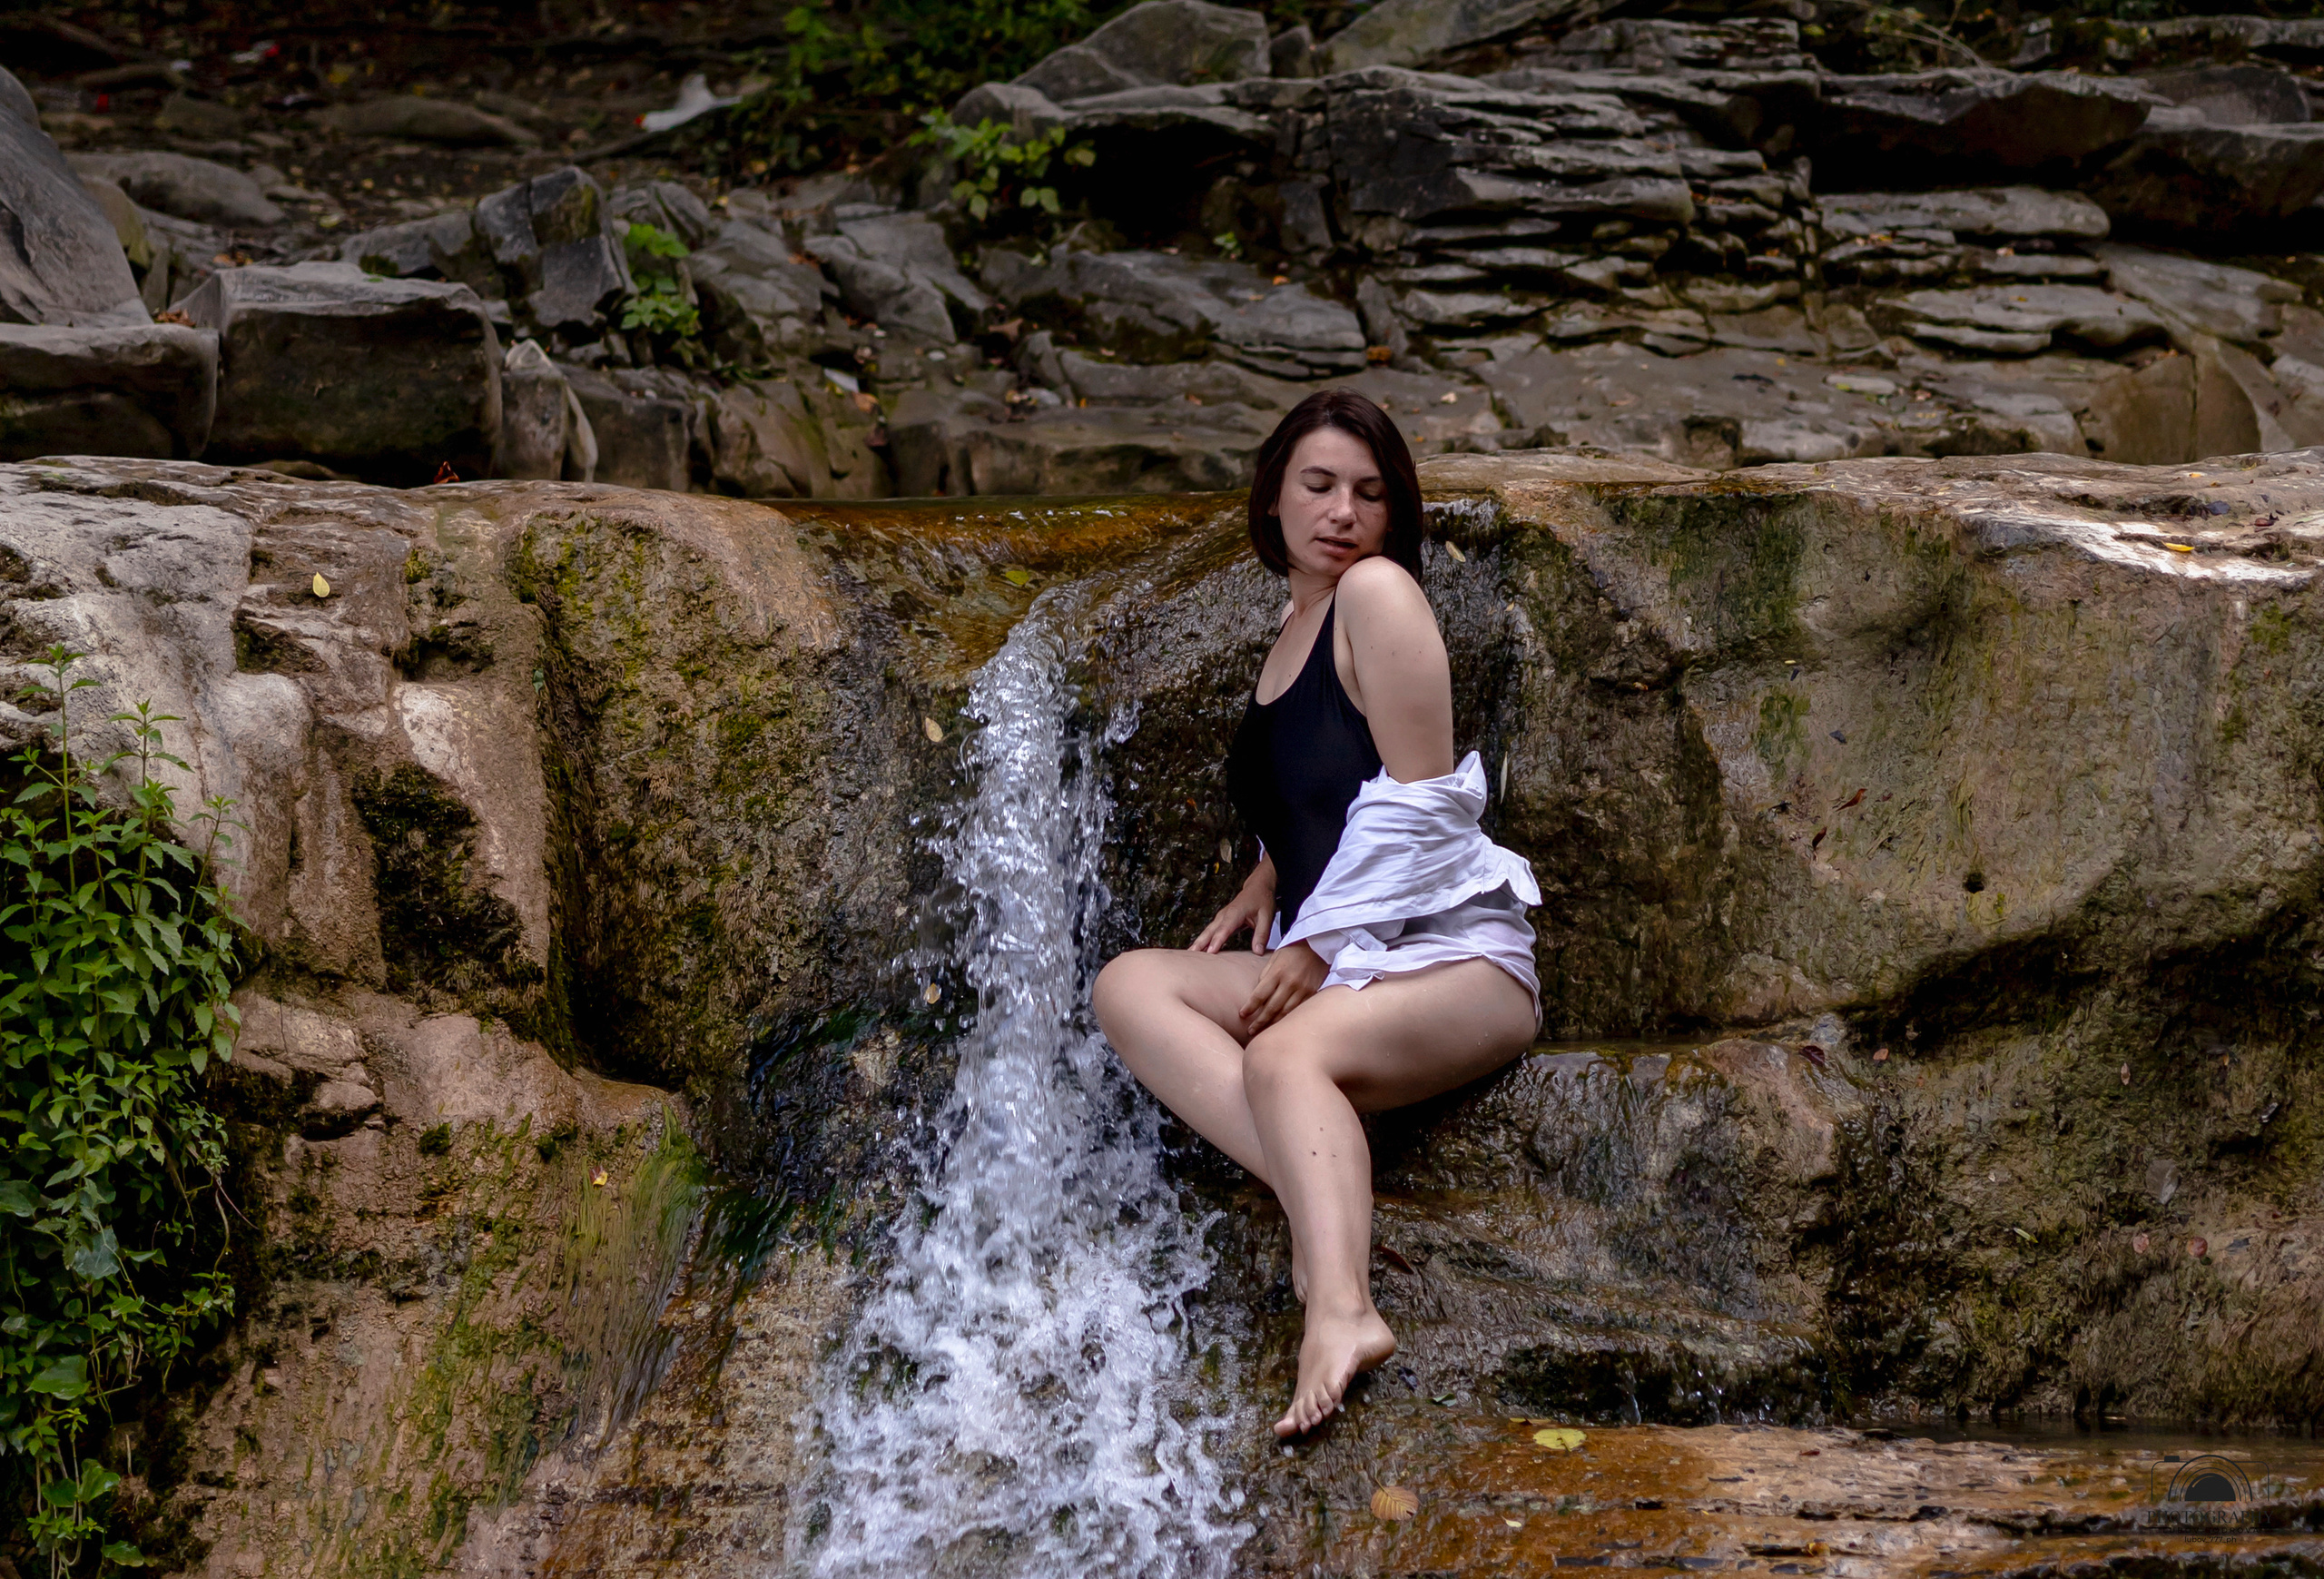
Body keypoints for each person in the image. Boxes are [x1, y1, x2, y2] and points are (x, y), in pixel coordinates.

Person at [1093, 389, 1542, 1439]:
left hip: (1451, 958)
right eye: (1319, 484)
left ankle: (1341, 1308)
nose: (1343, 510)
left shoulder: (1377, 594)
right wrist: (1266, 875)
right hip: (1340, 959)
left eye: (1369, 492)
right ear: (1273, 499)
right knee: (1130, 984)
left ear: (1394, 516)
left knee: (1283, 1054)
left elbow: (1424, 802)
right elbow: (1330, 778)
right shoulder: (1291, 624)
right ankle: (1318, 1183)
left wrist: (1320, 932)